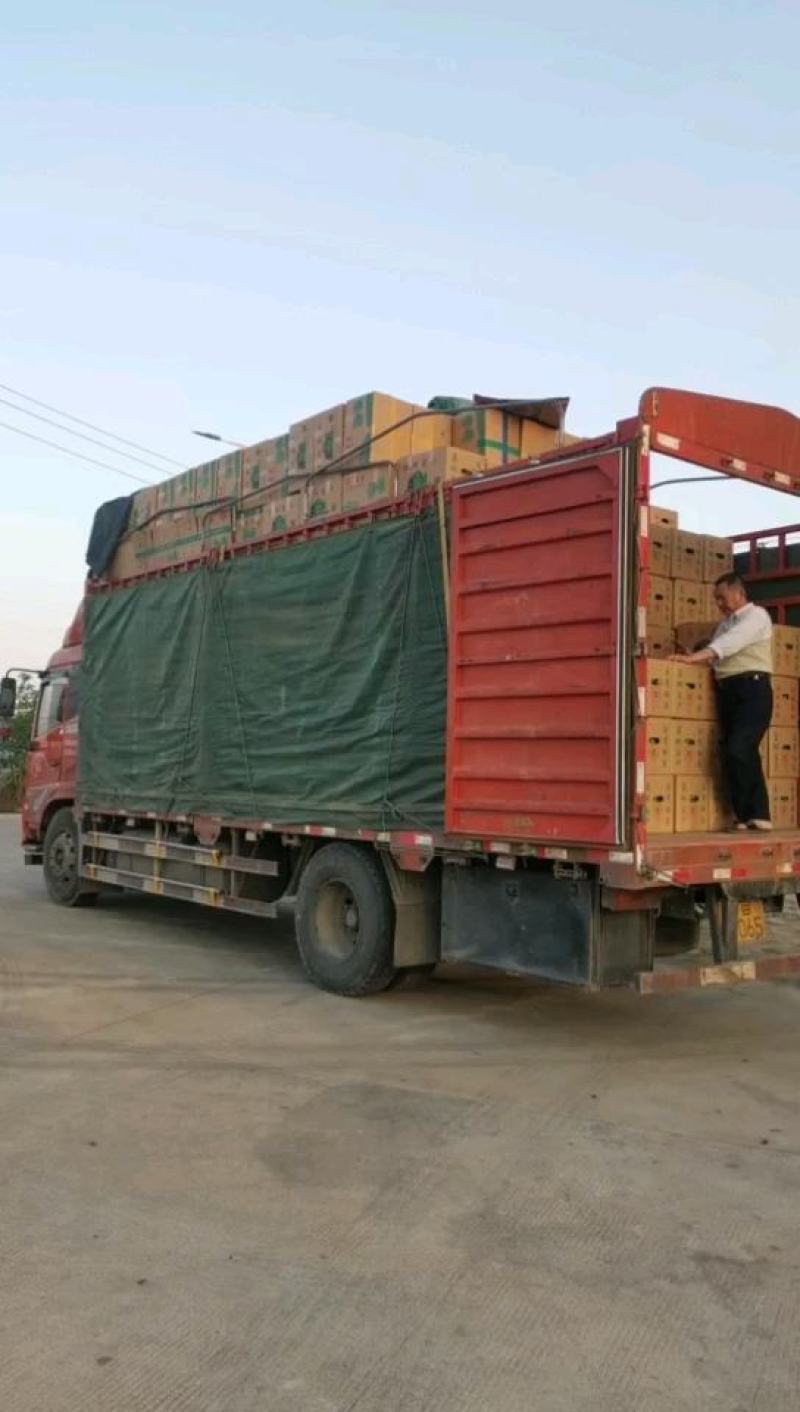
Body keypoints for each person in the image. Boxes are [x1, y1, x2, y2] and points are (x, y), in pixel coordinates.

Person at [672, 572, 773, 831]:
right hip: (728, 690)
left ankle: (758, 812)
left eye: (722, 598)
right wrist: (694, 656)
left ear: (739, 593)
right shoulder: (725, 624)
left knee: (739, 748)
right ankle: (746, 815)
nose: (719, 604)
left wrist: (696, 658)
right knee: (735, 751)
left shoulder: (756, 617)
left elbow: (730, 644)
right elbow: (718, 653)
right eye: (716, 599)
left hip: (753, 688)